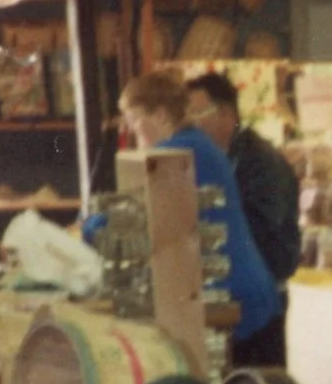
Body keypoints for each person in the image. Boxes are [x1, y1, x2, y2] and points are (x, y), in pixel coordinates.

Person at [118, 70, 283, 367]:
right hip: (248, 296)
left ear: (160, 115)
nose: (131, 130)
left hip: (238, 303)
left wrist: (92, 227)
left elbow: (125, 216)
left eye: (134, 119)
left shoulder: (177, 154)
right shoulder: (197, 144)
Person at [185, 71, 303, 293]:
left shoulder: (260, 161)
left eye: (197, 114)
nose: (191, 125)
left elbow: (258, 229)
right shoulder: (223, 157)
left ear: (226, 113)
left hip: (263, 288)